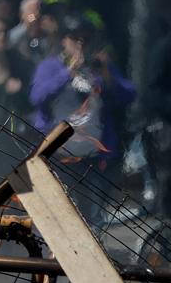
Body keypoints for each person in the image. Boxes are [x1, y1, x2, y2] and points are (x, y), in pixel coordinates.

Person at [29, 14, 136, 208]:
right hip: (58, 154)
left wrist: (107, 76)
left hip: (92, 155)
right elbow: (37, 97)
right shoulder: (51, 66)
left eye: (86, 39)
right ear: (65, 40)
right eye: (76, 39)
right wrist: (67, 73)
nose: (81, 45)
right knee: (60, 209)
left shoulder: (98, 68)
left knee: (92, 214)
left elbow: (129, 95)